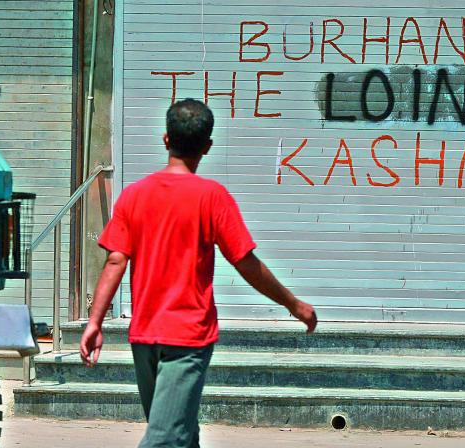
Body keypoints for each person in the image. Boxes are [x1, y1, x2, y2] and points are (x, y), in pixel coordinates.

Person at [79, 98, 317, 448]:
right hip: (186, 336)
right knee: (165, 438)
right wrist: (292, 304)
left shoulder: (134, 196)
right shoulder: (212, 197)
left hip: (144, 337)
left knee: (180, 433)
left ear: (165, 139)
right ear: (207, 147)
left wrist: (94, 322)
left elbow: (116, 261)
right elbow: (245, 262)